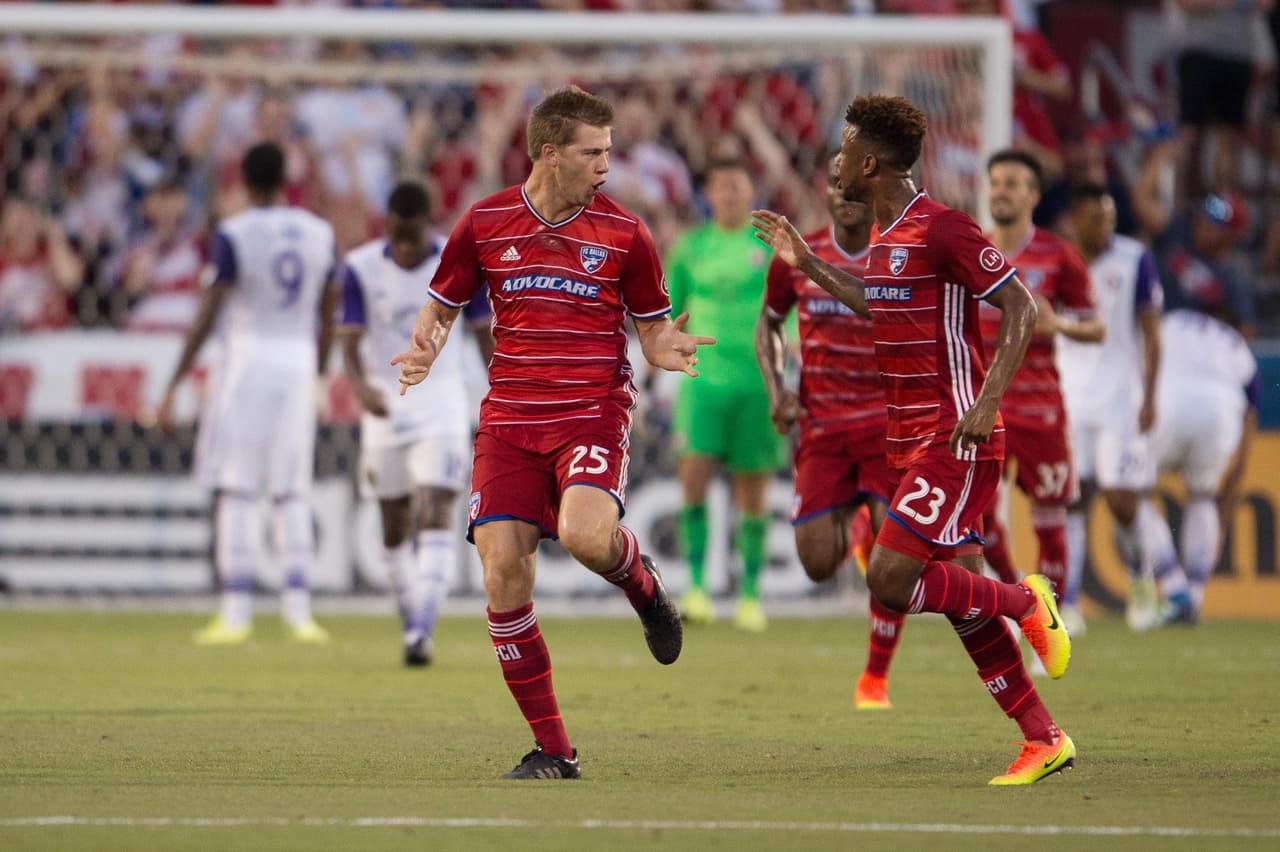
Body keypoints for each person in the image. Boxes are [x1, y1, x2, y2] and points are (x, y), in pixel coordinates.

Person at [392, 86, 713, 780]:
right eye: (592, 152)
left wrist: (667, 350)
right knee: (502, 572)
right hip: (510, 417)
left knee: (584, 536)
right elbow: (442, 306)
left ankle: (644, 587)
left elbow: (651, 330)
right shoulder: (484, 222)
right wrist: (424, 347)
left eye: (609, 151)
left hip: (591, 408)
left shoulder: (627, 233)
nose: (606, 164)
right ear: (548, 152)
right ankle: (555, 751)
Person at [753, 93, 1074, 785]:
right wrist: (807, 264)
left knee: (890, 578)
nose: (835, 162)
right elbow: (876, 302)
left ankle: (1028, 602)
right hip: (907, 442)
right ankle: (1042, 737)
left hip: (953, 435)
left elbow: (1021, 305)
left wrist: (989, 403)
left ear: (869, 163)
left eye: (843, 151)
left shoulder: (944, 229)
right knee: (960, 599)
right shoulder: (889, 240)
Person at [157, 142, 338, 646]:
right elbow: (329, 309)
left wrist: (174, 381)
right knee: (291, 488)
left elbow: (209, 311)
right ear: (286, 180)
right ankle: (299, 612)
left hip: (247, 361)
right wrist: (321, 374)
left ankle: (235, 611)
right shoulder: (319, 232)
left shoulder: (233, 233)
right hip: (298, 360)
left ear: (245, 180)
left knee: (237, 486)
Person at [756, 156, 901, 710]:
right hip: (821, 428)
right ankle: (856, 528)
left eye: (853, 183)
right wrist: (777, 390)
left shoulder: (896, 255)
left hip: (888, 426)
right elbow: (768, 324)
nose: (844, 192)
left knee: (892, 571)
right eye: (834, 183)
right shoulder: (795, 254)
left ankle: (874, 678)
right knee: (817, 564)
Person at [338, 180, 495, 667]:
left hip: (442, 404)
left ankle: (422, 630)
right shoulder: (360, 268)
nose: (405, 248)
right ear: (388, 225)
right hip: (386, 406)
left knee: (436, 509)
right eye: (398, 236)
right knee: (393, 525)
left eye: (413, 238)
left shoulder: (458, 263)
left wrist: (503, 387)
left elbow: (482, 334)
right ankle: (412, 621)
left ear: (427, 227)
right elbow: (349, 339)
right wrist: (361, 389)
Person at [978, 150, 1104, 602]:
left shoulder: (1057, 255)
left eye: (1012, 183)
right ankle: (1019, 596)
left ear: (1032, 195)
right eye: (995, 182)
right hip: (982, 409)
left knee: (1050, 522)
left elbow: (1097, 326)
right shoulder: (972, 250)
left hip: (1039, 410)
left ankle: (1050, 614)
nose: (1001, 191)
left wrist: (1061, 325)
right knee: (978, 519)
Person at [665, 158, 779, 632]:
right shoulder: (690, 248)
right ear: (709, 194)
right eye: (720, 186)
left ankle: (749, 593)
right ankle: (696, 587)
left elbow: (787, 309)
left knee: (752, 487)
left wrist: (786, 358)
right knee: (694, 477)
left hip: (757, 380)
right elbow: (670, 313)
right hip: (701, 381)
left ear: (752, 190)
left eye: (738, 185)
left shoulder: (769, 246)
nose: (730, 194)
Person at [1061, 183, 1163, 633]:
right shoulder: (1057, 259)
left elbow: (1151, 332)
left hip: (1121, 398)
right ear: (1076, 220)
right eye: (1096, 217)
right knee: (1072, 499)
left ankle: (1142, 582)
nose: (1105, 226)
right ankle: (1069, 600)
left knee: (1123, 501)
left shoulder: (1135, 259)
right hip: (1069, 395)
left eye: (1109, 216)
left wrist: (1151, 395)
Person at [1145, 307, 1258, 626]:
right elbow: (1250, 413)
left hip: (1169, 403)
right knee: (1202, 496)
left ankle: (1174, 588)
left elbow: (1141, 362)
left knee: (1135, 492)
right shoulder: (1236, 343)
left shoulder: (1169, 321)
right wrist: (1235, 477)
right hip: (1222, 411)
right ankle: (1194, 596)